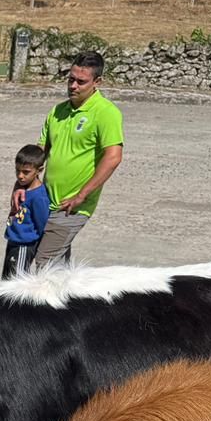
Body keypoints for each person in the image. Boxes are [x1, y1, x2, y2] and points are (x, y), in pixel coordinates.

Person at [22, 51, 124, 269]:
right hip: (45, 201)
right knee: (57, 266)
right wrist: (21, 187)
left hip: (72, 207)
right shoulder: (58, 111)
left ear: (97, 82)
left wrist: (81, 196)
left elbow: (113, 157)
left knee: (44, 265)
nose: (73, 86)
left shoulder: (106, 112)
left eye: (81, 81)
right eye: (70, 79)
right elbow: (39, 154)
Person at [2, 144, 51, 280]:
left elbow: (41, 223)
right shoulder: (23, 188)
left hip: (24, 245)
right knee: (7, 279)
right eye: (17, 171)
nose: (20, 176)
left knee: (17, 281)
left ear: (39, 170)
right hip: (13, 240)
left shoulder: (38, 197)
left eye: (25, 172)